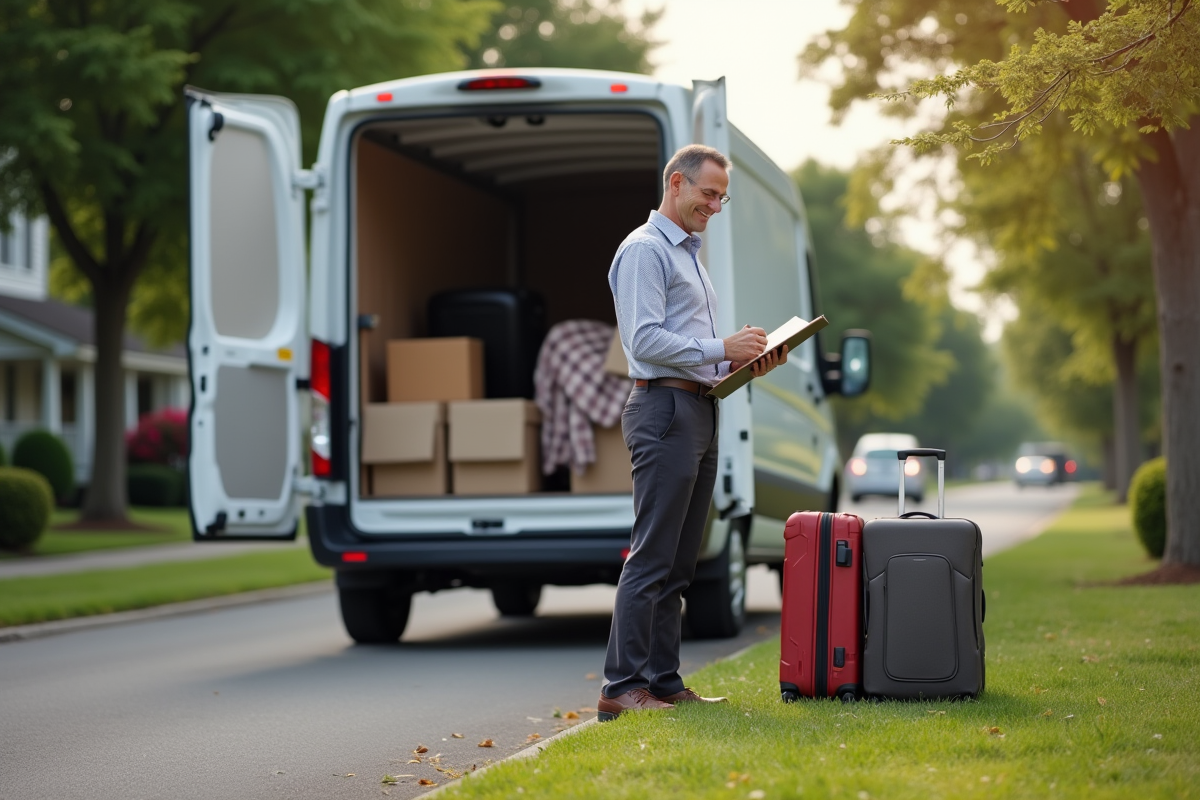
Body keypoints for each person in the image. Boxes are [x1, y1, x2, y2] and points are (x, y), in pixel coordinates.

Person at [598, 144, 787, 720]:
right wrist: (719, 347)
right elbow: (644, 341)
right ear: (675, 184)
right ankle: (621, 688)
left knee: (681, 560)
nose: (715, 205)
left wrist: (736, 363)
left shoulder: (688, 256)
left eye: (722, 197)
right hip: (663, 412)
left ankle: (663, 681)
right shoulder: (643, 250)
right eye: (709, 193)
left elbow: (686, 351)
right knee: (652, 554)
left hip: (700, 408)